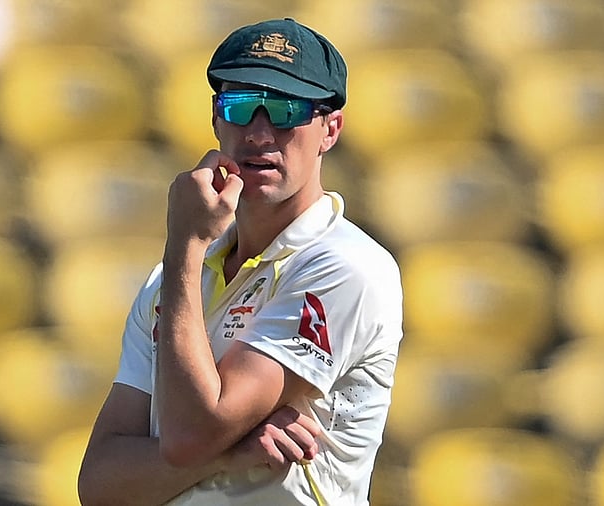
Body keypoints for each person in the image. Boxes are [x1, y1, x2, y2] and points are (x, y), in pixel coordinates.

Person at [78, 17, 403, 506]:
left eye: (286, 109)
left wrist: (184, 245)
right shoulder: (172, 278)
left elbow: (189, 437)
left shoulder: (345, 266)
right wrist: (227, 453)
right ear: (215, 117)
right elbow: (101, 485)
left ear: (330, 129)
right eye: (241, 105)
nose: (259, 132)